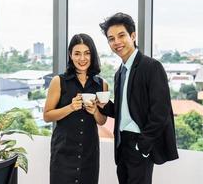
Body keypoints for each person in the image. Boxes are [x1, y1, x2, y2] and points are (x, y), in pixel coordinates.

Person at [98, 12, 179, 184]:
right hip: (122, 144)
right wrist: (103, 105)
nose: (116, 42)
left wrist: (143, 145)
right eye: (111, 39)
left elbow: (160, 111)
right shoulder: (119, 73)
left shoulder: (152, 67)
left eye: (121, 35)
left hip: (139, 142)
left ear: (133, 36)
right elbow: (124, 109)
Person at [43, 33, 109, 184]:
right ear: (70, 55)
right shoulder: (58, 81)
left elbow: (102, 121)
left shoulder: (102, 84)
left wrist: (95, 112)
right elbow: (47, 116)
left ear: (92, 55)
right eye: (77, 53)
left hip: (89, 153)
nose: (82, 58)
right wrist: (71, 107)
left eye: (87, 53)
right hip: (63, 153)